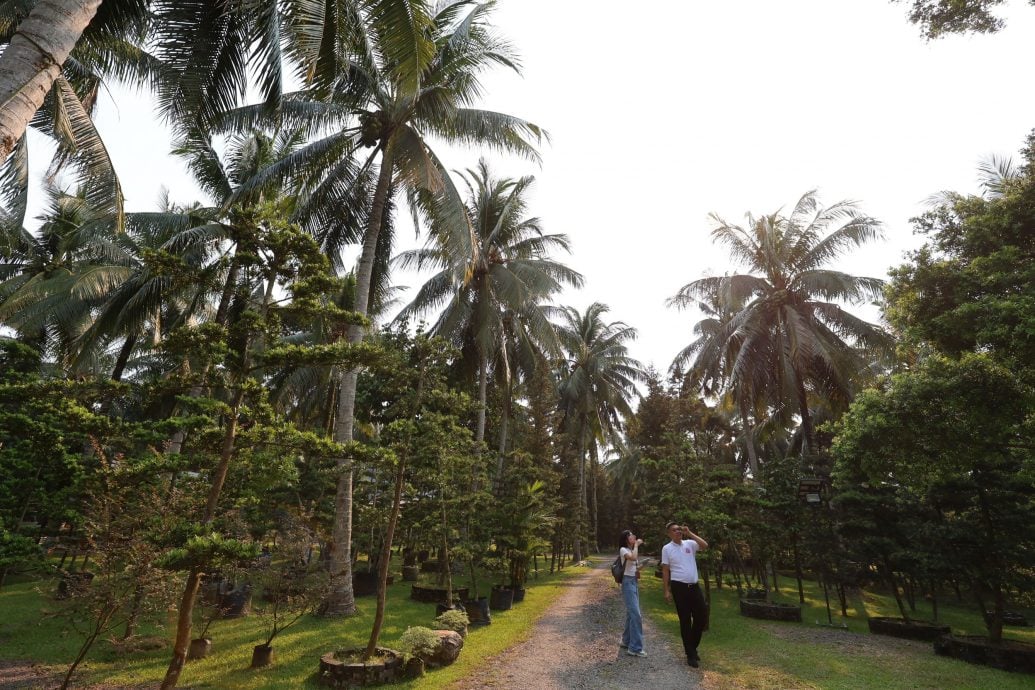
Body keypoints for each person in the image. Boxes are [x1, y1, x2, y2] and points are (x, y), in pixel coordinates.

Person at [661, 521, 709, 667]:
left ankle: (692, 648)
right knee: (685, 620)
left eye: (679, 529)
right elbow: (665, 570)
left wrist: (690, 533)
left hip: (694, 587)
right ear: (669, 533)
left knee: (701, 617)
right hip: (679, 588)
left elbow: (705, 545)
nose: (678, 531)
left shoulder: (690, 543)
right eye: (674, 530)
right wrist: (666, 590)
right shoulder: (667, 548)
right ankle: (690, 654)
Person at [617, 530, 646, 657]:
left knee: (631, 614)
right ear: (625, 539)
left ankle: (626, 640)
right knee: (636, 615)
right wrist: (637, 545)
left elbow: (634, 565)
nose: (634, 536)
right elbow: (633, 557)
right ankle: (635, 648)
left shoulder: (632, 549)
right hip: (627, 583)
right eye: (630, 535)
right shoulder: (623, 549)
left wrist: (641, 567)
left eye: (633, 534)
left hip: (633, 581)